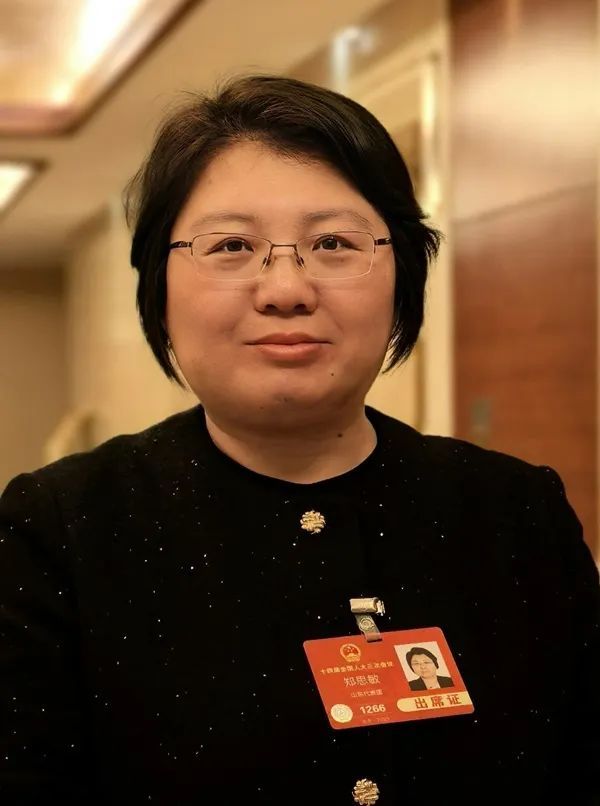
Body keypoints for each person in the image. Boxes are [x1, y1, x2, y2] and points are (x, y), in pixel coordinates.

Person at [0, 74, 598, 805]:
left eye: (333, 243)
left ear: (403, 278)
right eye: (231, 245)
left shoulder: (517, 512)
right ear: (159, 286)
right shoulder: (59, 530)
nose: (285, 289)